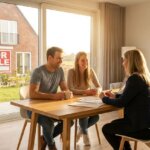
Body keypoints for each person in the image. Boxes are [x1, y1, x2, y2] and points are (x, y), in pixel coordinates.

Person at [101, 49, 150, 150]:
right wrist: (115, 96)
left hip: (138, 127)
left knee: (106, 129)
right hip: (145, 124)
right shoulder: (144, 77)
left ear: (130, 62)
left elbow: (121, 103)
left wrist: (104, 98)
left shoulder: (134, 79)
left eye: (124, 60)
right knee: (113, 125)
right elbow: (130, 97)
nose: (123, 64)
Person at [28, 47, 73, 150]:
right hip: (34, 109)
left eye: (62, 58)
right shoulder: (38, 72)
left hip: (51, 108)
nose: (61, 61)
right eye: (59, 58)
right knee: (48, 123)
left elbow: (64, 88)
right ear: (49, 58)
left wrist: (67, 93)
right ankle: (52, 145)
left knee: (69, 121)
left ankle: (45, 139)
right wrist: (53, 96)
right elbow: (32, 93)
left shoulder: (60, 70)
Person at [67, 51, 102, 146]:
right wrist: (86, 92)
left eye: (86, 60)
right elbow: (70, 89)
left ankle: (81, 130)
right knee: (84, 115)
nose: (85, 62)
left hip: (87, 100)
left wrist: (97, 90)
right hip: (74, 102)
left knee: (96, 117)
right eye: (83, 60)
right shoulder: (71, 72)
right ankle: (85, 134)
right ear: (77, 61)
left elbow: (99, 86)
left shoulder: (90, 71)